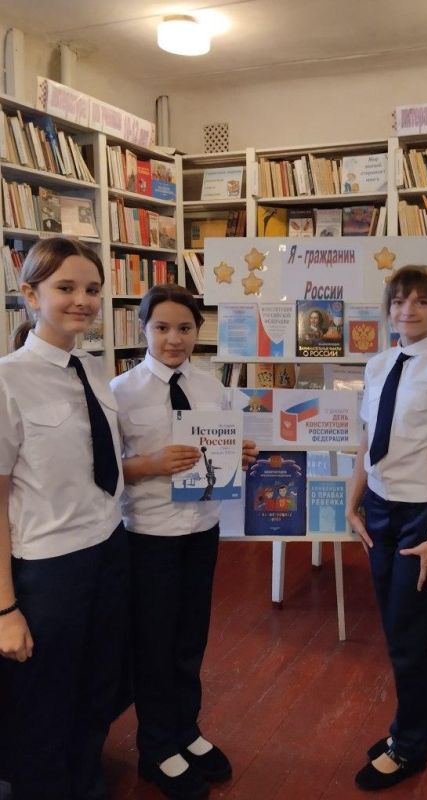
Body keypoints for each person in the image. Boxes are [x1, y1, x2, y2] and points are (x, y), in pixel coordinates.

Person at [110, 284, 257, 800]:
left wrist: (239, 454)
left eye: (185, 328)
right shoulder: (119, 391)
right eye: (162, 328)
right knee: (153, 642)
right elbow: (104, 471)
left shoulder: (212, 387)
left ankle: (185, 729)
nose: (174, 339)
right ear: (143, 329)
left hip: (202, 530)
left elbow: (220, 451)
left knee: (191, 638)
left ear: (198, 331)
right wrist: (149, 464)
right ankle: (156, 747)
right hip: (149, 536)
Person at [0, 237, 127, 800]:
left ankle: (86, 779)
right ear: (31, 295)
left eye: (92, 289)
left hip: (109, 546)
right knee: (43, 699)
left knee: (99, 683)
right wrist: (5, 608)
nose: (83, 300)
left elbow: (104, 464)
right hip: (48, 568)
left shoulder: (94, 370)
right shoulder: (7, 380)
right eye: (66, 288)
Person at [346, 265, 427, 791]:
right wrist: (352, 502)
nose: (408, 310)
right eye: (399, 301)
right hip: (378, 507)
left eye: (421, 301)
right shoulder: (378, 364)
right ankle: (418, 726)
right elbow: (367, 439)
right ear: (388, 309)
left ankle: (412, 742)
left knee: (408, 633)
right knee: (395, 627)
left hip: (421, 514)